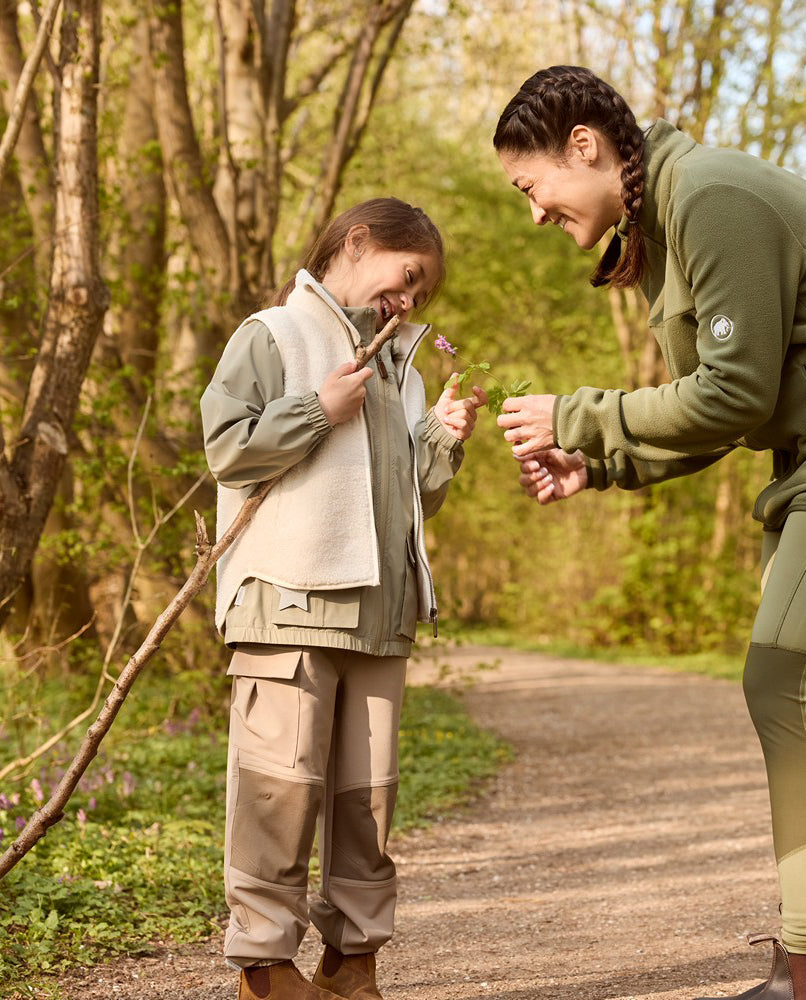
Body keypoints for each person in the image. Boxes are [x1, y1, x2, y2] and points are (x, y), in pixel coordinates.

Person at [492, 65, 806, 1000]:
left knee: (786, 687)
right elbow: (723, 410)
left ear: (583, 146)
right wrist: (602, 462)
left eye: (531, 188)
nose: (536, 214)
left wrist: (577, 416)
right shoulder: (664, 218)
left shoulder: (707, 195)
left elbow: (733, 393)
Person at [201, 197, 486, 1000]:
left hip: (380, 614)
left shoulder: (402, 367)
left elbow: (403, 497)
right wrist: (317, 410)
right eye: (406, 279)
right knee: (277, 791)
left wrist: (442, 439)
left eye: (422, 296)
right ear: (358, 242)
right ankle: (263, 968)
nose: (409, 303)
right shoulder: (273, 335)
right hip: (287, 603)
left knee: (368, 802)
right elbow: (228, 448)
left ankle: (352, 962)